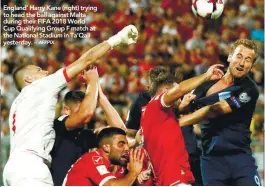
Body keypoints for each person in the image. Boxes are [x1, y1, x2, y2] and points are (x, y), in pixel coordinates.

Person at [3, 25, 139, 186]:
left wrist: (98, 92)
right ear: (28, 79)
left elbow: (119, 132)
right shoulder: (39, 88)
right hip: (31, 166)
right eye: (39, 70)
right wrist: (116, 39)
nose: (46, 73)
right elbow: (84, 61)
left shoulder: (20, 104)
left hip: (18, 167)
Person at [178, 39, 262, 186]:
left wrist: (178, 123)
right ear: (230, 57)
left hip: (240, 158)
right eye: (239, 56)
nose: (242, 63)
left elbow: (216, 109)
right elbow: (181, 100)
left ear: (251, 66)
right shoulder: (208, 83)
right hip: (211, 161)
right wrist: (183, 105)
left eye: (248, 60)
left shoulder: (250, 89)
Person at [140, 64, 224, 186]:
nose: (180, 98)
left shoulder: (151, 114)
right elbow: (180, 89)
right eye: (178, 96)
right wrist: (206, 75)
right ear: (166, 92)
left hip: (167, 180)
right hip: (175, 180)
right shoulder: (155, 105)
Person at [126, 90, 203, 185]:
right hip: (167, 166)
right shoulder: (143, 99)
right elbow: (130, 132)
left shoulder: (180, 97)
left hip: (192, 158)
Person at [50, 67, 99, 185]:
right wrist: (93, 82)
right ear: (67, 110)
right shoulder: (58, 124)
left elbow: (120, 131)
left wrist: (98, 92)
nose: (90, 109)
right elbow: (86, 114)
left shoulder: (87, 134)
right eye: (80, 108)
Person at [63, 127, 145, 186]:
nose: (127, 148)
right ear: (106, 147)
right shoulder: (93, 159)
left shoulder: (115, 165)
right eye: (121, 144)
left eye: (127, 144)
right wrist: (133, 173)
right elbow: (111, 185)